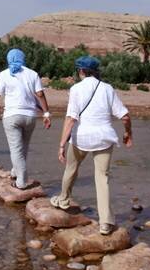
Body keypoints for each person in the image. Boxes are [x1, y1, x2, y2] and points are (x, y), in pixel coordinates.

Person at [50, 56, 133, 235]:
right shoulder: (107, 88)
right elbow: (125, 116)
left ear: (80, 71)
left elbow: (71, 118)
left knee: (71, 169)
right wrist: (127, 133)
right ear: (96, 71)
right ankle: (105, 223)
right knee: (102, 178)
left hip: (81, 137)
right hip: (104, 137)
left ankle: (63, 200)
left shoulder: (76, 89)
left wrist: (61, 144)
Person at [0, 48, 51, 190]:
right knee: (24, 146)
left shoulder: (4, 74)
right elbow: (40, 94)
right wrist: (46, 114)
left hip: (12, 116)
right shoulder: (32, 74)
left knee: (16, 149)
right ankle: (15, 171)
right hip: (30, 116)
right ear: (23, 59)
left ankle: (21, 182)